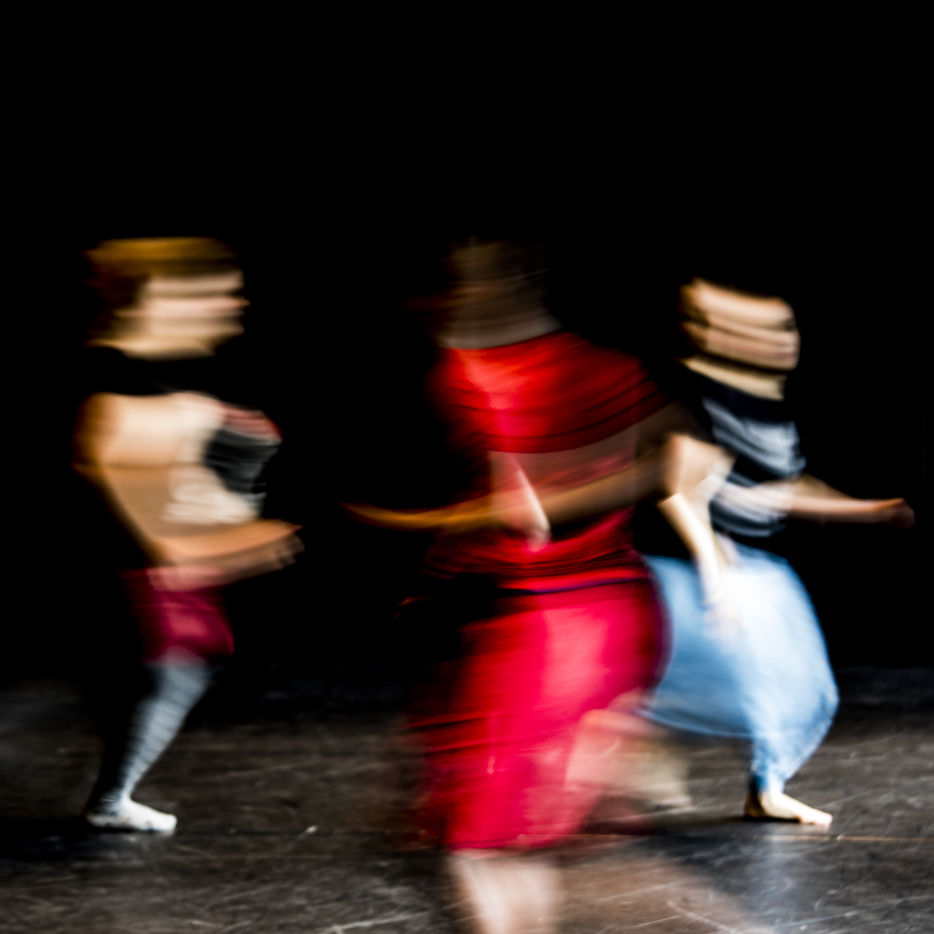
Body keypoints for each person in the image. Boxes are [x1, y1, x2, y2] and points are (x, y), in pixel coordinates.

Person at [350, 239, 715, 933]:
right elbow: (684, 455)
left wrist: (434, 520)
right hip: (562, 618)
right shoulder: (536, 369)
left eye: (456, 286)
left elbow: (532, 515)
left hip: (552, 625)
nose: (440, 305)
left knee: (485, 844)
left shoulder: (489, 377)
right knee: (502, 840)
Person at [637, 278, 913, 825]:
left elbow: (780, 488)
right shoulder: (700, 399)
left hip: (755, 570)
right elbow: (677, 492)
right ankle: (628, 750)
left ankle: (766, 789)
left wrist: (863, 509)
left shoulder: (765, 406)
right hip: (687, 567)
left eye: (788, 328)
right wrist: (714, 573)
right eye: (769, 329)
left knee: (802, 689)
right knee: (684, 681)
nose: (785, 340)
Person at [74, 238, 300, 833]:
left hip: (170, 576)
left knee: (176, 676)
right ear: (161, 298)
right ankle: (110, 800)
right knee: (169, 675)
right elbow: (154, 530)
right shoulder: (120, 389)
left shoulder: (173, 375)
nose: (234, 303)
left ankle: (112, 797)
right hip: (142, 579)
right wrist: (238, 543)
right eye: (215, 292)